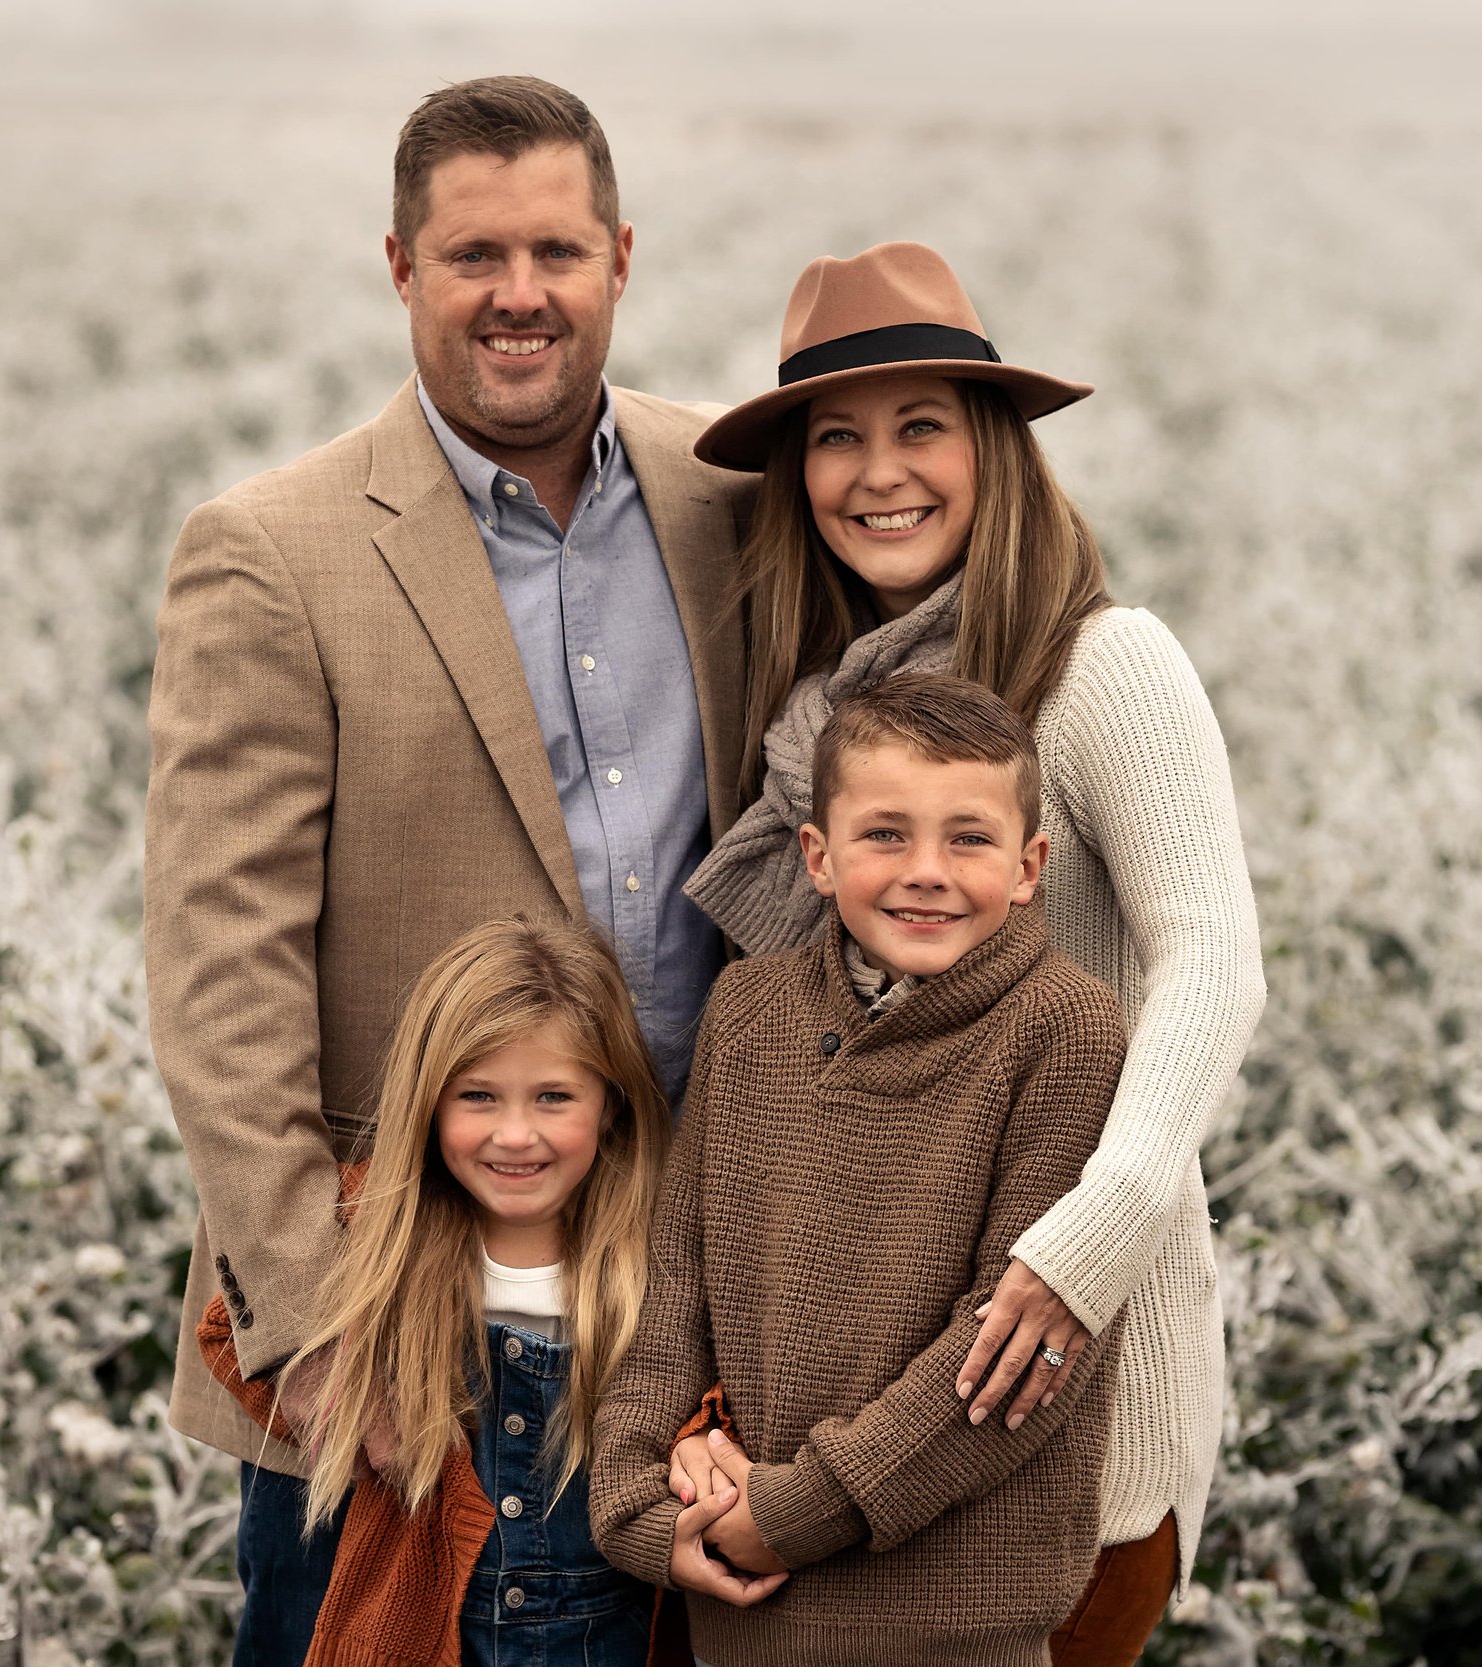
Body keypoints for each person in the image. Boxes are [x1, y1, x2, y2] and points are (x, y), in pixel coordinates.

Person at [143, 76, 748, 1667]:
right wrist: (320, 1326)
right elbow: (222, 971)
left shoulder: (732, 498)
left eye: (558, 248)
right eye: (475, 254)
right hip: (407, 1332)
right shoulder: (272, 551)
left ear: (621, 255)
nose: (521, 294)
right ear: (401, 267)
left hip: (688, 1316)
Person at [673, 242, 1268, 1664]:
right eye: (838, 437)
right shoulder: (817, 713)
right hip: (851, 1388)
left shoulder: (1099, 665)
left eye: (922, 425)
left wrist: (1089, 1238)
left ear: (993, 448)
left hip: (1054, 1348)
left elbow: (1214, 960)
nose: (882, 470)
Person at [590, 672, 1130, 1667]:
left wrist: (795, 1509)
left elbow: (1012, 1355)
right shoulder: (749, 1009)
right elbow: (674, 1282)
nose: (925, 869)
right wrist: (636, 1503)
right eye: (885, 833)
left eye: (968, 838)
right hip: (739, 1602)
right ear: (817, 856)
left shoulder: (1066, 1029)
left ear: (1028, 865)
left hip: (955, 1622)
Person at [197, 917, 685, 1665]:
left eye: (554, 1096)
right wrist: (346, 1383)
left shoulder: (654, 1258)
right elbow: (225, 1333)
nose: (516, 1134)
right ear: (429, 1102)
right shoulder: (377, 1237)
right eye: (479, 1096)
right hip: (420, 1635)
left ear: (613, 1101)